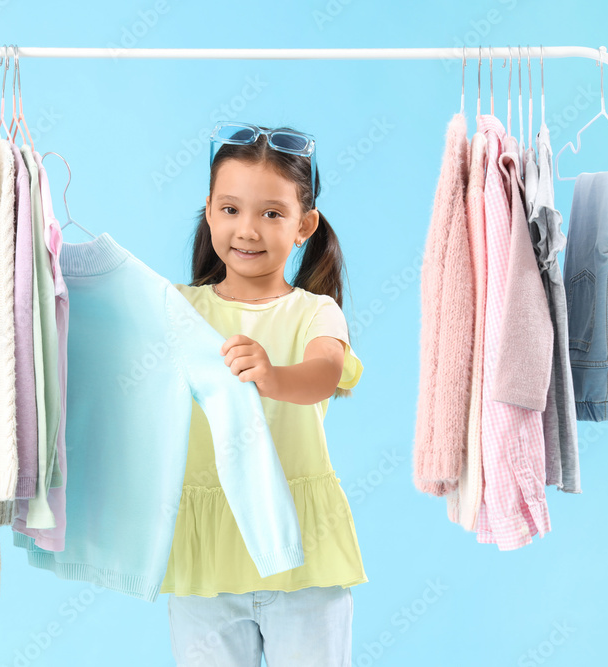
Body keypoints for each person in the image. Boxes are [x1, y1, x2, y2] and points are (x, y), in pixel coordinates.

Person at [160, 122, 366, 666]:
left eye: (272, 213)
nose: (247, 229)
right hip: (206, 560)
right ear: (208, 211)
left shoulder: (314, 311)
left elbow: (326, 370)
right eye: (231, 209)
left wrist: (273, 376)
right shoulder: (178, 311)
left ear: (305, 225)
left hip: (305, 558)